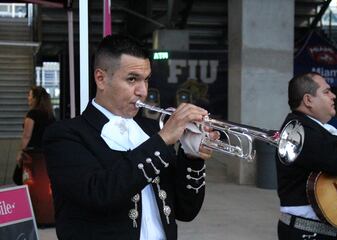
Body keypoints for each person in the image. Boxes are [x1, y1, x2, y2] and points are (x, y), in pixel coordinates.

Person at [43, 35, 219, 240]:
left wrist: (192, 157)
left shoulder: (153, 131)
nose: (143, 91)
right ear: (101, 78)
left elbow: (186, 211)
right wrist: (162, 141)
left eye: (146, 79)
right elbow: (100, 194)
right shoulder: (64, 135)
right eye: (132, 79)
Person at [276, 72, 337, 240]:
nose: (334, 95)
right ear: (308, 100)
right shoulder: (300, 132)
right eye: (326, 91)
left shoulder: (314, 128)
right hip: (309, 233)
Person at [14, 86, 55, 185]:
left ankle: (27, 199)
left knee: (20, 178)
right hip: (45, 153)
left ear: (35, 98)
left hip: (31, 154)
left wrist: (20, 153)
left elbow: (26, 136)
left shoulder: (32, 114)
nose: (28, 98)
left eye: (30, 95)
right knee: (40, 180)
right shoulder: (50, 115)